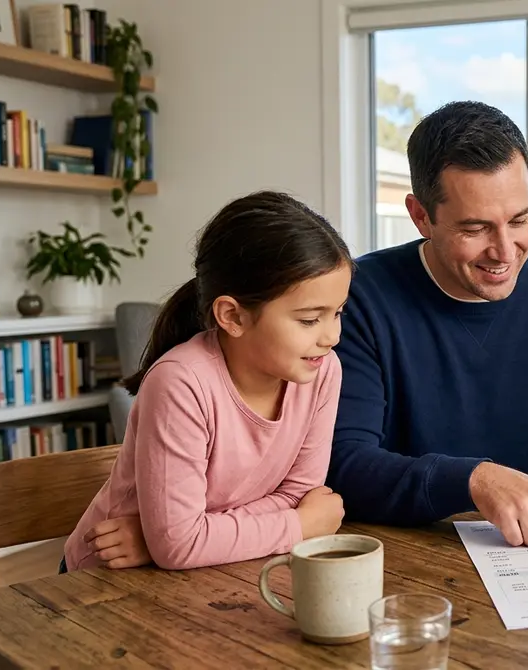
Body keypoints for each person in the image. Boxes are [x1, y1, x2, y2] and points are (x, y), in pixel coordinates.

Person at [326, 101, 528, 556]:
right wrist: (475, 480)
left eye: (520, 220)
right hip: (399, 554)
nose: (505, 251)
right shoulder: (357, 298)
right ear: (421, 215)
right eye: (476, 228)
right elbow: (345, 466)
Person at [63, 191, 352, 572]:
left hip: (216, 569)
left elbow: (299, 493)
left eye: (338, 312)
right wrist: (299, 525)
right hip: (107, 581)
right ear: (233, 316)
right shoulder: (181, 383)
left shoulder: (321, 370)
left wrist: (184, 536)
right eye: (309, 319)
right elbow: (181, 545)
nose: (331, 335)